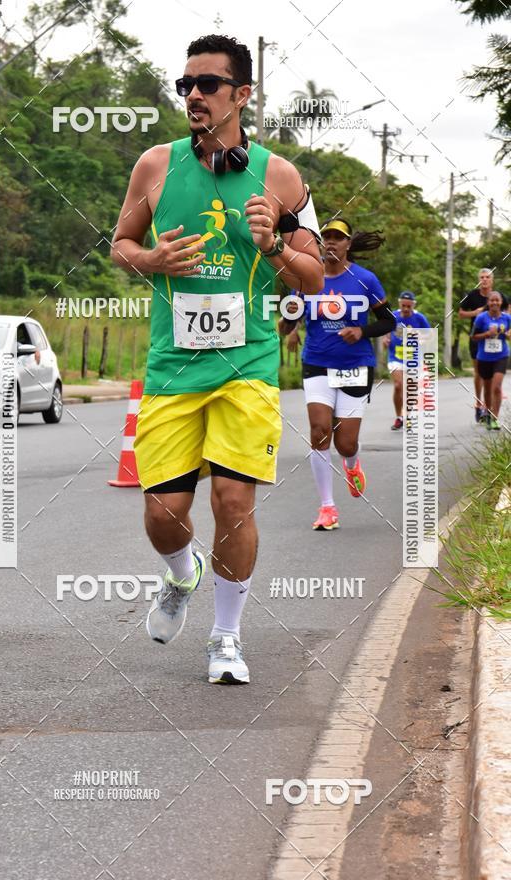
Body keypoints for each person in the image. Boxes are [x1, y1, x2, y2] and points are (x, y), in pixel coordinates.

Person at [111, 34, 323, 684]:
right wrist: (148, 260)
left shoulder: (280, 177)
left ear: (242, 94)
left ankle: (226, 637)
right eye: (186, 85)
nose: (195, 95)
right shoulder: (154, 166)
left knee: (234, 500)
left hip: (248, 368)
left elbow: (315, 276)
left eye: (208, 84)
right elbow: (121, 242)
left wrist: (276, 245)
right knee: (163, 513)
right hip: (175, 368)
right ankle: (181, 574)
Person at [280, 218, 395, 531]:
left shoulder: (365, 280)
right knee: (319, 432)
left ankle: (351, 462)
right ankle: (327, 508)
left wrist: (361, 330)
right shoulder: (306, 277)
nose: (331, 243)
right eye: (326, 238)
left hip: (355, 366)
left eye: (337, 238)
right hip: (316, 363)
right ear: (320, 243)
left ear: (347, 245)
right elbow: (291, 314)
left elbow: (388, 322)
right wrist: (289, 326)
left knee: (345, 443)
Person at [459, 269, 508, 423]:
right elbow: (460, 313)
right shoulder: (472, 295)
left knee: (494, 380)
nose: (485, 280)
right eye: (482, 277)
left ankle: (489, 409)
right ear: (479, 280)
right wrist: (476, 312)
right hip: (478, 340)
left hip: (497, 342)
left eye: (487, 277)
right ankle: (479, 404)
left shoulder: (498, 296)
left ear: (492, 280)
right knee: (479, 374)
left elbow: (508, 312)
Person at [383, 291, 430, 430]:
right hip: (395, 356)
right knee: (398, 385)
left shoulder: (420, 318)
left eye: (409, 306)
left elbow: (429, 335)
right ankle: (399, 417)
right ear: (400, 303)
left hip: (413, 358)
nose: (406, 309)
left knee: (411, 389)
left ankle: (408, 416)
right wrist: (385, 339)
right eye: (403, 305)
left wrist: (421, 338)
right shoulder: (393, 316)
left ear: (413, 305)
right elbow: (386, 330)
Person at [472, 290, 510, 430]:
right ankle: (487, 412)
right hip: (484, 357)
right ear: (488, 302)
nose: (494, 302)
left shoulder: (507, 318)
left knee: (497, 387)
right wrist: (487, 334)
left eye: (497, 300)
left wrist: (507, 335)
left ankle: (495, 418)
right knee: (487, 389)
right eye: (492, 300)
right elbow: (473, 336)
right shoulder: (481, 318)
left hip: (501, 356)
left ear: (501, 302)